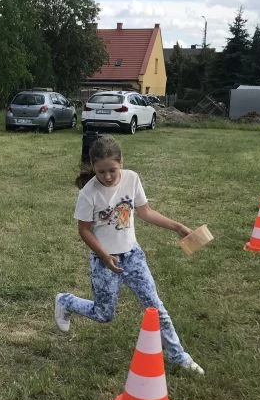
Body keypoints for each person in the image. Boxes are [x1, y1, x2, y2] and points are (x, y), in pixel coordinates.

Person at [54, 135, 204, 375]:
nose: (107, 177)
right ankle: (66, 301)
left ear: (121, 162)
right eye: (101, 172)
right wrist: (104, 256)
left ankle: (179, 356)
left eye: (112, 170)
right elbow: (84, 230)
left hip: (133, 256)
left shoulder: (132, 179)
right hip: (105, 261)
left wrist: (178, 227)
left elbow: (145, 212)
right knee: (104, 314)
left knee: (155, 308)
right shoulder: (88, 193)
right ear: (93, 167)